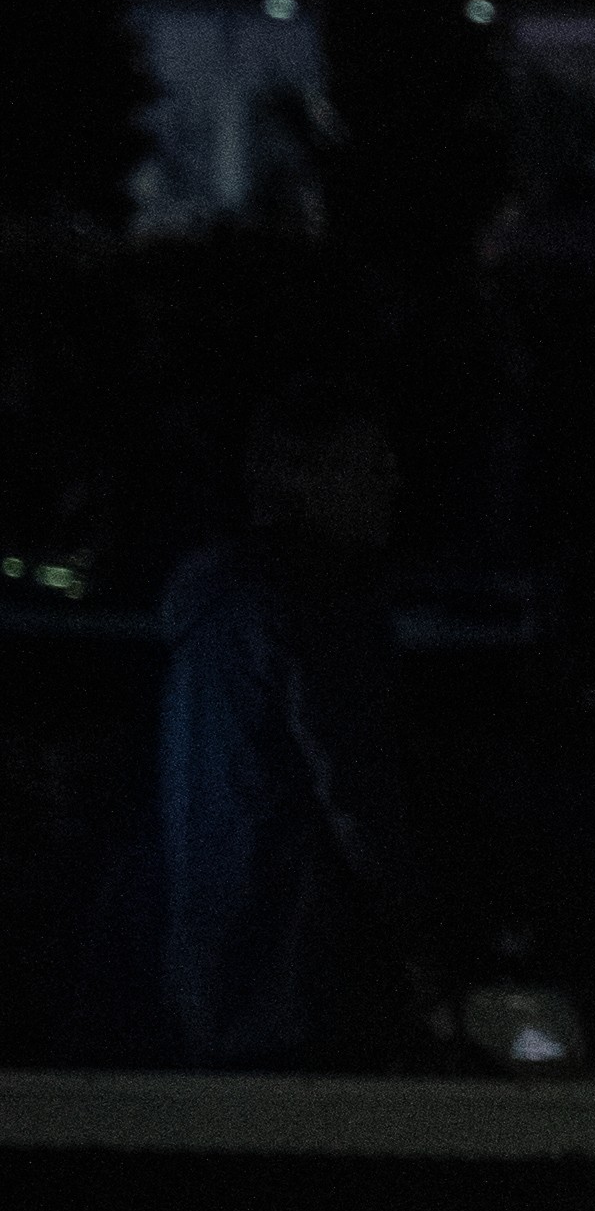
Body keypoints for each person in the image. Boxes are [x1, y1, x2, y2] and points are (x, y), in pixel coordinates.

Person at [157, 397, 422, 1069]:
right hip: (307, 966)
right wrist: (415, 934)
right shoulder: (316, 598)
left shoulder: (216, 603)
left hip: (217, 961)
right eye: (368, 467)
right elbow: (352, 785)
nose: (393, 483)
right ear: (302, 479)